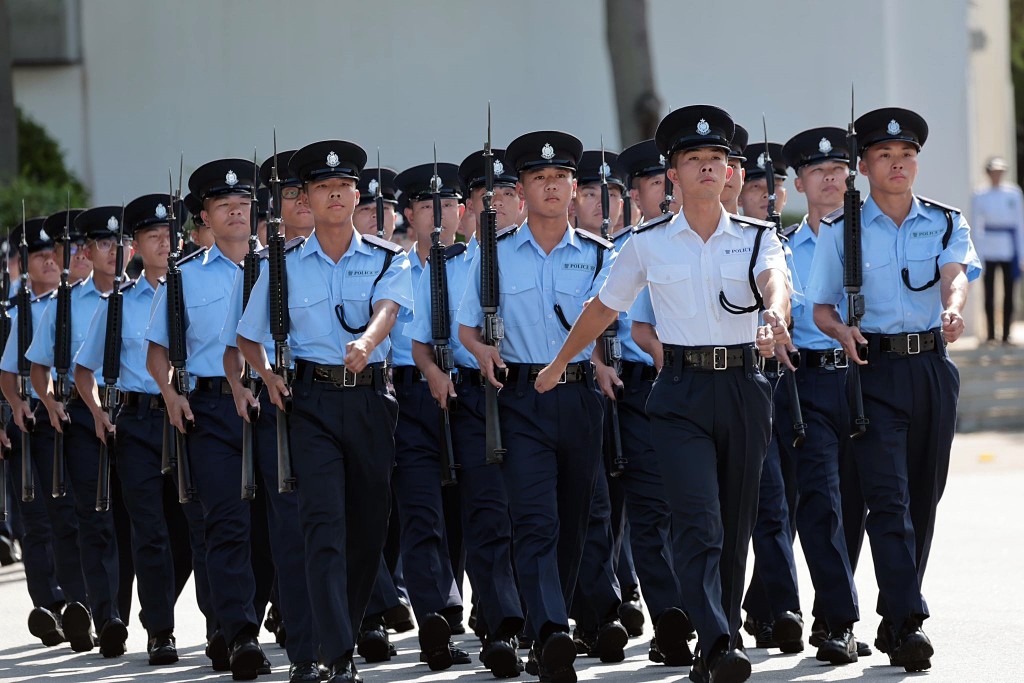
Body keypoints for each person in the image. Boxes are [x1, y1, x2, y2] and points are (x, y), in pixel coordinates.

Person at [532, 105, 792, 683]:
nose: (707, 168)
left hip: (745, 386)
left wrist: (774, 316)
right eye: (693, 160)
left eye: (716, 160)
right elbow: (602, 308)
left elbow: (776, 283)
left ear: (730, 173)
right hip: (680, 393)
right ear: (672, 174)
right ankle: (720, 638)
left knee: (735, 521)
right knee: (697, 519)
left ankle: (713, 640)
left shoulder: (756, 237)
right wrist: (558, 363)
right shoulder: (647, 244)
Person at [807, 107, 981, 672]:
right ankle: (908, 622)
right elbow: (823, 307)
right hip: (873, 369)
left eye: (907, 155)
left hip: (931, 367)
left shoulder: (944, 220)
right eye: (885, 155)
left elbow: (955, 275)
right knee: (888, 500)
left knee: (925, 498)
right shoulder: (842, 229)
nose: (898, 164)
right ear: (864, 165)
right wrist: (840, 330)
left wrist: (953, 312)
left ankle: (893, 613)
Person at [236, 139, 412, 683]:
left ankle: (342, 630)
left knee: (367, 531)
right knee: (322, 527)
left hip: (369, 400)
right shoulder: (282, 266)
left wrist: (366, 342)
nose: (334, 194)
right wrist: (267, 377)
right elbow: (247, 336)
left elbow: (387, 308)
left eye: (343, 187)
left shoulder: (387, 256)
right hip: (308, 402)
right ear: (307, 201)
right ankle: (332, 653)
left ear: (357, 195)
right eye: (322, 188)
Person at [457, 130, 614, 683]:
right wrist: (481, 352)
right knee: (534, 520)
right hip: (520, 395)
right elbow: (465, 327)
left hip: (578, 396)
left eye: (560, 179)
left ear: (574, 188)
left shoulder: (598, 254)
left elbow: (610, 321)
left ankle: (549, 617)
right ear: (521, 191)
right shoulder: (493, 253)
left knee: (574, 519)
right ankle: (550, 630)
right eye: (538, 179)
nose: (551, 187)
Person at [146, 158, 274, 681]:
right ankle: (239, 632)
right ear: (205, 215)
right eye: (225, 206)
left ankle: (241, 618)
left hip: (273, 403)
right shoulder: (183, 277)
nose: (237, 213)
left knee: (270, 527)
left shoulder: (277, 266)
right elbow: (157, 353)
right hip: (213, 408)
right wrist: (171, 395)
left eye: (243, 204)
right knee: (226, 523)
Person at [74, 195, 214, 666]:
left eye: (168, 234)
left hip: (190, 418)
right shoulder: (119, 304)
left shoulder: (194, 286)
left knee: (198, 528)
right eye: (152, 236)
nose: (163, 243)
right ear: (134, 246)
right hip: (137, 423)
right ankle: (160, 631)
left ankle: (223, 627)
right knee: (149, 530)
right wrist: (98, 413)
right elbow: (82, 370)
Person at [777, 126, 869, 663]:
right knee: (820, 501)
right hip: (808, 380)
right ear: (800, 182)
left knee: (862, 502)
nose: (830, 178)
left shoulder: (868, 236)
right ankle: (837, 619)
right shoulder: (783, 247)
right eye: (818, 171)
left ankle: (852, 606)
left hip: (866, 375)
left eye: (838, 170)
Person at [27, 207, 127, 658]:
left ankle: (142, 613)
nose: (113, 251)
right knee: (95, 519)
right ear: (85, 253)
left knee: (153, 524)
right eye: (102, 244)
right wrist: (48, 402)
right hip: (84, 418)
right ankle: (105, 615)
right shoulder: (66, 303)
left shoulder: (151, 294)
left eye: (117, 243)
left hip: (141, 412)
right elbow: (37, 368)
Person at [388, 160, 469, 671]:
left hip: (468, 396)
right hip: (409, 396)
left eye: (445, 205)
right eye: (424, 205)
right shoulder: (389, 268)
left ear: (462, 210)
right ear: (409, 215)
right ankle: (434, 617)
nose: (436, 215)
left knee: (465, 511)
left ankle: (456, 602)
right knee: (421, 513)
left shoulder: (481, 264)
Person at [970, 156, 1023, 344]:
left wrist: (1021, 254)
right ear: (988, 173)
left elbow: (1019, 224)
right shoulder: (980, 195)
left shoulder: (1013, 193)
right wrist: (977, 255)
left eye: (1000, 172)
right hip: (989, 247)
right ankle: (991, 333)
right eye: (994, 172)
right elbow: (976, 226)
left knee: (1010, 291)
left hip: (1009, 248)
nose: (997, 175)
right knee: (989, 292)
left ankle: (1007, 333)